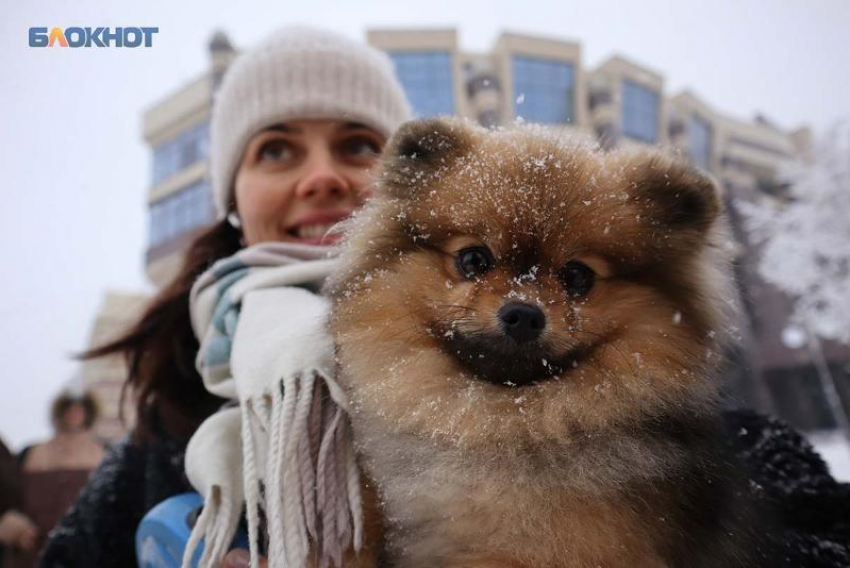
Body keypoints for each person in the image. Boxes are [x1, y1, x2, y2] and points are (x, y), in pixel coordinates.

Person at [39, 26, 411, 568]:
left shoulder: (512, 357)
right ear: (233, 196)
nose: (322, 177)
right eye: (276, 149)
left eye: (357, 145)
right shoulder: (174, 404)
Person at [5, 391, 104, 568]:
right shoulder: (31, 454)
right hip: (31, 552)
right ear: (60, 412)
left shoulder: (105, 455)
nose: (74, 414)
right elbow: (7, 495)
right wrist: (7, 522)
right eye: (70, 409)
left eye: (79, 410)